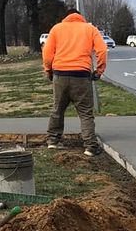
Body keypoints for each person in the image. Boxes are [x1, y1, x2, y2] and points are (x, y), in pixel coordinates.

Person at [41, 9, 108, 155]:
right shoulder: (90, 29)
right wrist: (99, 70)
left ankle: (53, 141)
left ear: (66, 17)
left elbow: (47, 53)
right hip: (82, 75)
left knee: (57, 109)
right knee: (85, 113)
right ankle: (90, 146)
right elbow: (102, 50)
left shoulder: (57, 28)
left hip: (60, 75)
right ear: (80, 17)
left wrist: (48, 70)